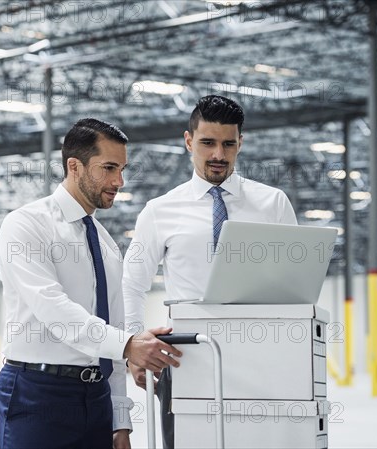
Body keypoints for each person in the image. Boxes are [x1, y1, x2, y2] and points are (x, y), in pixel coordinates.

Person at [0, 118, 182, 449]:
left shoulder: (107, 244)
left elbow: (115, 327)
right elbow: (53, 309)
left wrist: (119, 421)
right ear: (74, 166)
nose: (119, 181)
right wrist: (127, 344)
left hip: (96, 398)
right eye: (109, 168)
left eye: (122, 169)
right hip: (39, 393)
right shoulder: (26, 225)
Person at [123, 95, 298, 448]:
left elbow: (294, 286)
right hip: (188, 357)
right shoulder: (160, 211)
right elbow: (130, 284)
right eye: (207, 142)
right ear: (189, 141)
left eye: (228, 144)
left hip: (262, 358)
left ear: (240, 144)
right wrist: (133, 348)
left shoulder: (272, 203)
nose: (218, 154)